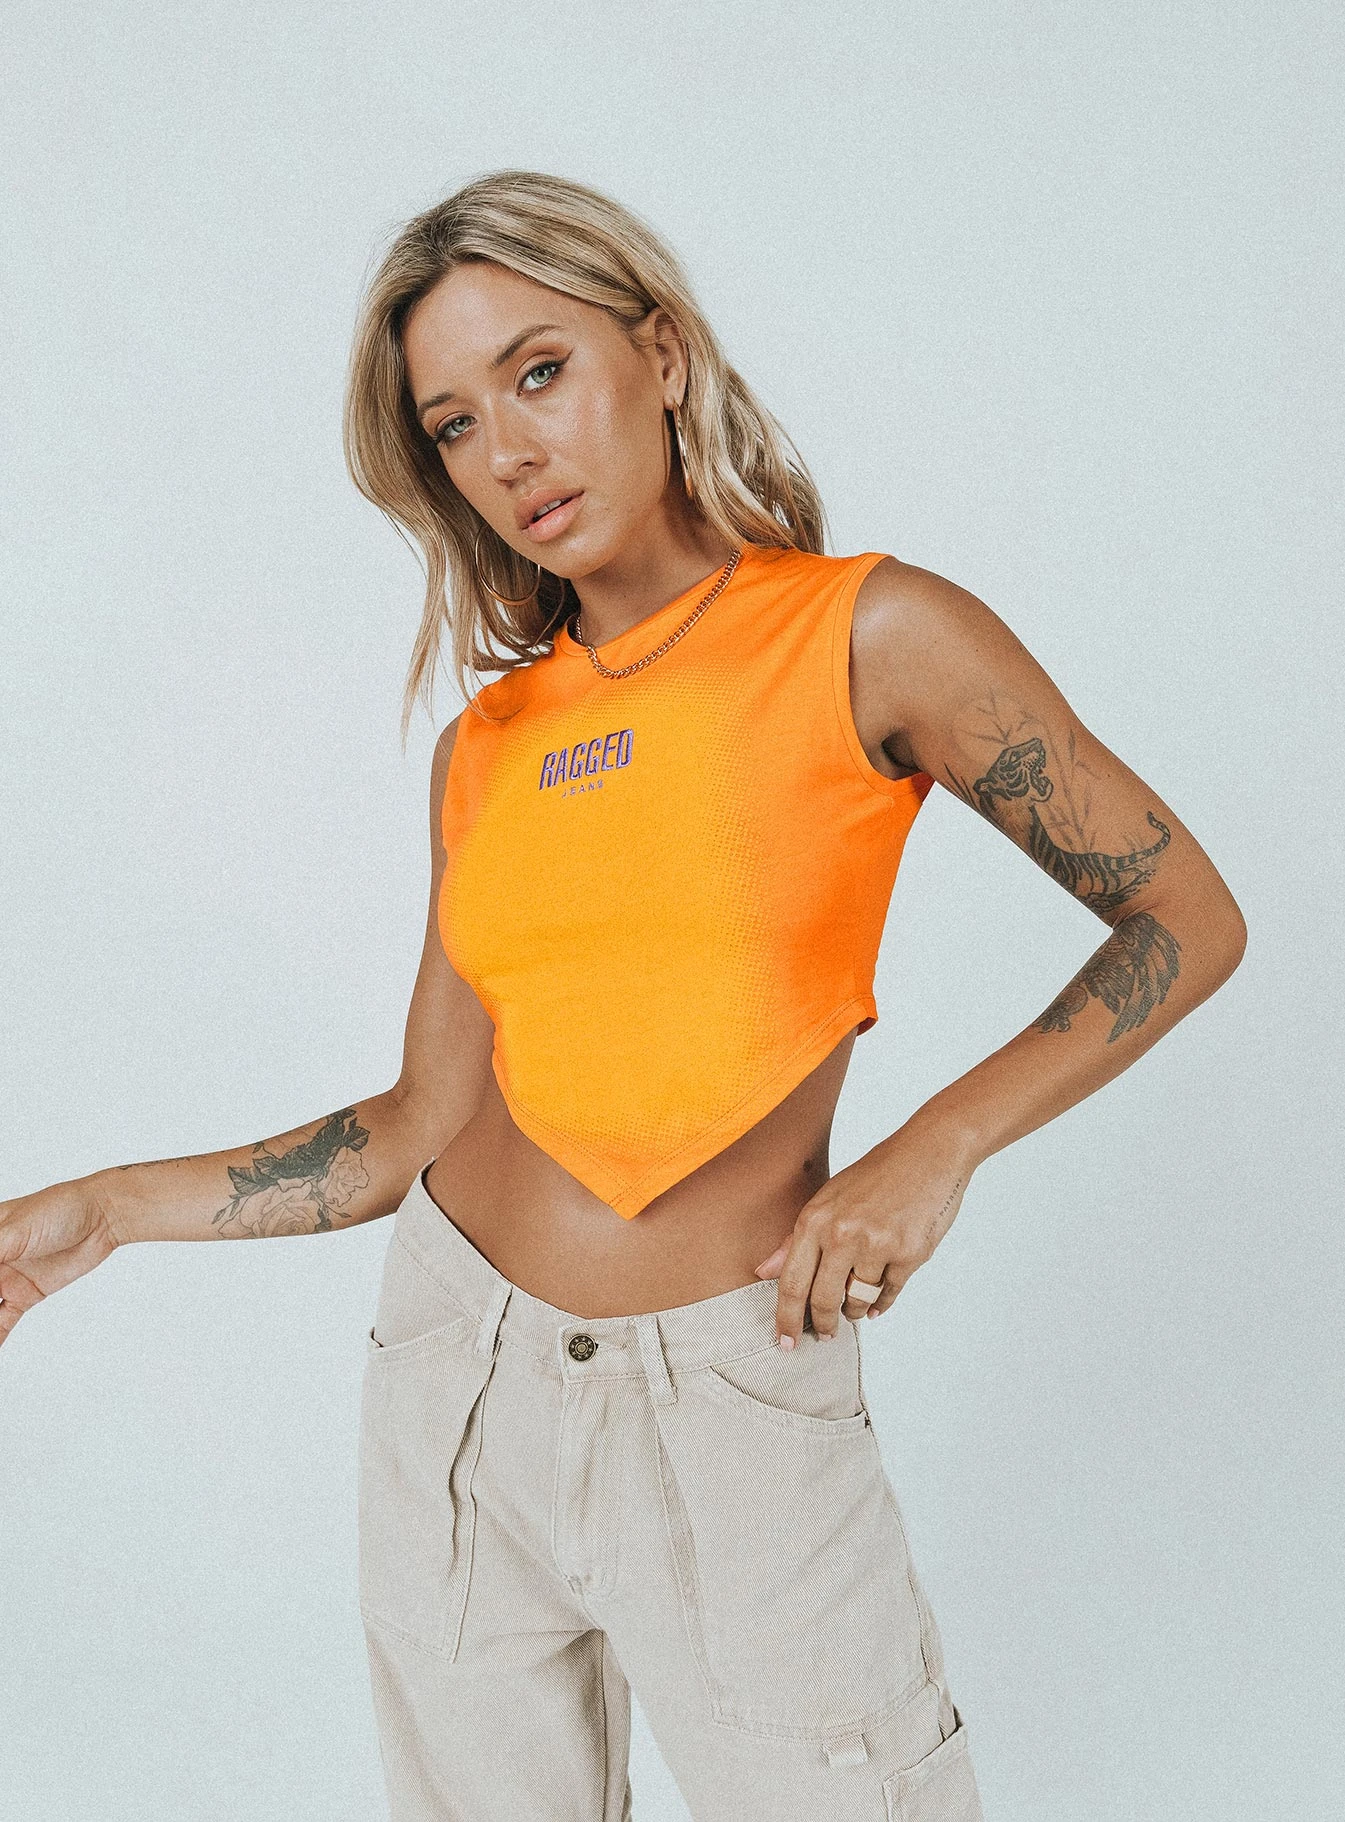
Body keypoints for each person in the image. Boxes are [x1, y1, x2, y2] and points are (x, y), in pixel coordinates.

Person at [0, 168, 1247, 1821]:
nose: (508, 454)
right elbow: (411, 1126)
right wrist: (100, 1210)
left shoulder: (867, 634)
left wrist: (932, 1147)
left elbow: (1185, 914)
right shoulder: (487, 748)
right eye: (454, 425)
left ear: (658, 355)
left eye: (540, 372)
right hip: (454, 1385)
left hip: (731, 1389)